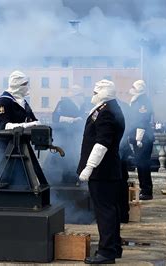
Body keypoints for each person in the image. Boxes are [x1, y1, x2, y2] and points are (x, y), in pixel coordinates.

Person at [77, 79, 125, 264]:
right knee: (110, 210)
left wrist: (89, 167)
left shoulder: (106, 112)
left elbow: (101, 144)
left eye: (97, 91)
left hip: (102, 170)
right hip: (108, 169)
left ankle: (106, 252)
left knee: (105, 212)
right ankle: (114, 247)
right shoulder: (109, 108)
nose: (93, 94)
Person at [0, 70, 40, 188]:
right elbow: (5, 126)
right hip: (6, 152)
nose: (26, 87)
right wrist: (28, 126)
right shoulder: (2, 102)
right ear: (16, 85)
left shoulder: (23, 103)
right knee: (17, 185)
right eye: (24, 84)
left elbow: (33, 120)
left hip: (22, 151)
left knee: (27, 184)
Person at [46, 85, 89, 185]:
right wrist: (72, 120)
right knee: (59, 160)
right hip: (64, 137)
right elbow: (55, 117)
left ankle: (72, 179)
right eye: (81, 95)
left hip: (76, 137)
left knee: (74, 159)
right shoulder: (63, 103)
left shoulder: (82, 106)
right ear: (76, 96)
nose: (83, 97)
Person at [129, 80, 155, 200]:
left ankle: (146, 191)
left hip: (143, 137)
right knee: (140, 165)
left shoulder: (143, 101)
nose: (132, 89)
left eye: (134, 87)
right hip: (138, 136)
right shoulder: (137, 100)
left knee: (143, 164)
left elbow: (142, 120)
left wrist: (138, 138)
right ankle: (145, 190)